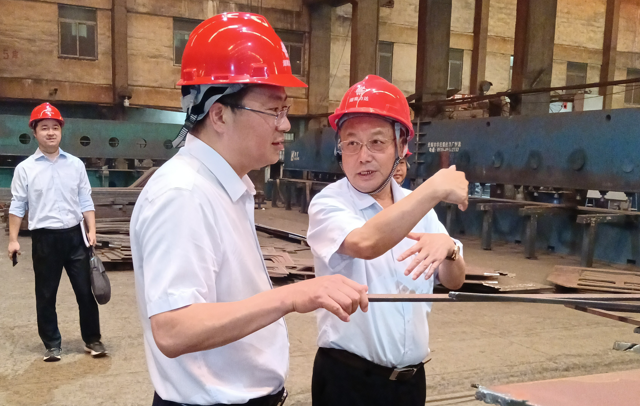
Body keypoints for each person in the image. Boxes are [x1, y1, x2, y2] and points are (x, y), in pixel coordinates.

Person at [130, 12, 368, 406]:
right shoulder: (184, 195)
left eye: (285, 109)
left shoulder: (224, 187)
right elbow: (174, 328)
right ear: (219, 114)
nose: (285, 125)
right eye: (274, 110)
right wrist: (291, 296)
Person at [307, 75, 469, 406]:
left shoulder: (418, 206)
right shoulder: (330, 203)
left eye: (377, 142)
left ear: (401, 145)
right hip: (349, 383)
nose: (363, 156)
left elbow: (455, 281)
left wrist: (450, 250)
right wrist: (435, 187)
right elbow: (366, 243)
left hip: (410, 384)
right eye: (351, 143)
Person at [7, 102, 106, 362]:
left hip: (75, 238)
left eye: (55, 127)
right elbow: (17, 205)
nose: (50, 132)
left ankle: (93, 340)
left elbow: (85, 200)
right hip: (45, 240)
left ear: (61, 131)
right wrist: (13, 240)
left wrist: (92, 230)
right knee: (46, 294)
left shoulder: (75, 165)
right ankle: (52, 345)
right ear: (35, 132)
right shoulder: (25, 169)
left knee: (85, 292)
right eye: (44, 128)